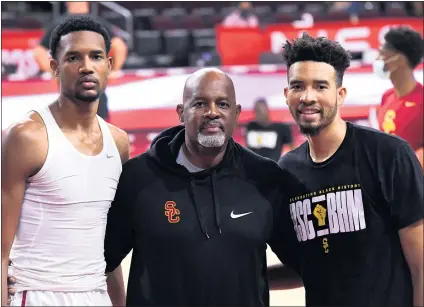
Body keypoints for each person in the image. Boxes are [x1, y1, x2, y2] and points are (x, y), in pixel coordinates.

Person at [103, 67, 299, 306]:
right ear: (181, 113)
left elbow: (302, 265)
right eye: (199, 104)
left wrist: (249, 278)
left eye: (223, 104)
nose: (212, 112)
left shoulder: (265, 178)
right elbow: (100, 262)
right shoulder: (138, 177)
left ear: (236, 114)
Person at [278, 33, 423, 306]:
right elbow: (305, 265)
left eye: (321, 86)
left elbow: (421, 265)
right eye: (298, 86)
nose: (308, 96)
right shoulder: (286, 171)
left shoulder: (389, 155)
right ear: (287, 95)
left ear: (340, 94)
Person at [2, 15, 129, 306]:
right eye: (74, 57)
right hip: (37, 294)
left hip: (96, 294)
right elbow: (1, 251)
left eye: (96, 56)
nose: (86, 66)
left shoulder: (118, 143)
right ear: (55, 68)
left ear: (108, 65)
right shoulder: (26, 137)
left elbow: (109, 248)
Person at [33, 1, 128, 120]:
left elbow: (39, 51)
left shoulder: (58, 24)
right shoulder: (98, 22)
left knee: (72, 129)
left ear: (67, 3)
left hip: (70, 92)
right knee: (101, 130)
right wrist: (114, 70)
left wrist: (53, 72)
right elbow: (119, 46)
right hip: (95, 89)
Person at [372, 26, 423, 167]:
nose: (377, 59)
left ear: (399, 59)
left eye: (382, 54)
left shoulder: (421, 102)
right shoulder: (387, 97)